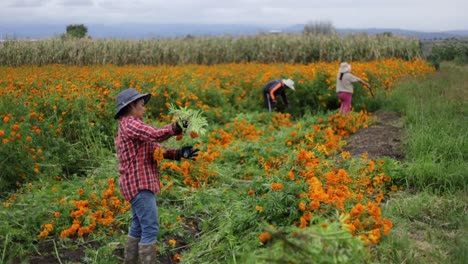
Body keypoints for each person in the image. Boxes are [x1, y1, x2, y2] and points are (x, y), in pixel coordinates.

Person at [114, 88, 199, 264]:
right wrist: (175, 127)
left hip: (134, 184)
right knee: (150, 228)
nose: (144, 109)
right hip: (139, 184)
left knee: (138, 227)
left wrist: (178, 153)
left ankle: (130, 261)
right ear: (131, 106)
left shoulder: (130, 127)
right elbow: (154, 134)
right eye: (142, 105)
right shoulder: (130, 123)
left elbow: (155, 150)